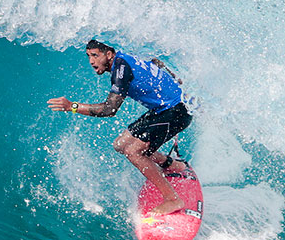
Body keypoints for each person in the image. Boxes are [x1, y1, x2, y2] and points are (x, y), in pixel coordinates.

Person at [48, 39, 193, 217]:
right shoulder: (127, 54)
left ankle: (172, 199)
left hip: (176, 111)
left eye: (95, 55)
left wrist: (72, 106)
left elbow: (109, 110)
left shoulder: (120, 70)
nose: (91, 61)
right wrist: (174, 80)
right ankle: (172, 164)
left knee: (134, 152)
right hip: (164, 109)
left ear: (109, 54)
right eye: (88, 56)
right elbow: (156, 61)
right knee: (120, 144)